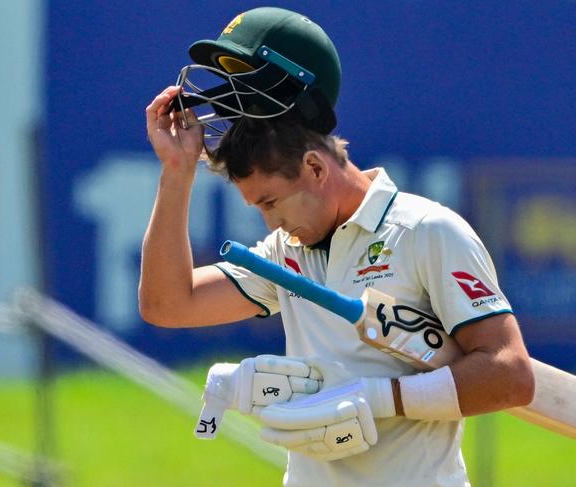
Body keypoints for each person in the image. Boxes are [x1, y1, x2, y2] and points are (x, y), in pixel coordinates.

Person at [140, 7, 534, 487]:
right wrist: (176, 174)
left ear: (315, 167)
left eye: (271, 202)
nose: (270, 223)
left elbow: (510, 375)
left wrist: (375, 398)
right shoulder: (286, 251)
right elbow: (167, 304)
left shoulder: (426, 230)